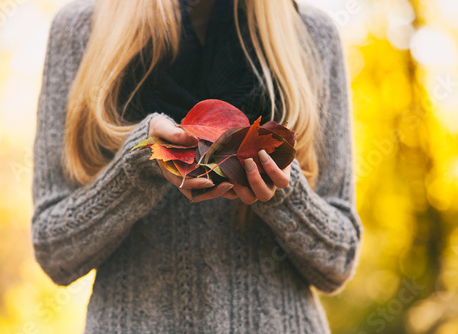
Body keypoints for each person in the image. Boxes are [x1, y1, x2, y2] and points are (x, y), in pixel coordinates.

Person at [31, 0, 363, 332]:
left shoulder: (310, 34)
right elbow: (54, 252)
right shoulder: (80, 29)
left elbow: (338, 261)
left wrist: (284, 197)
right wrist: (136, 167)